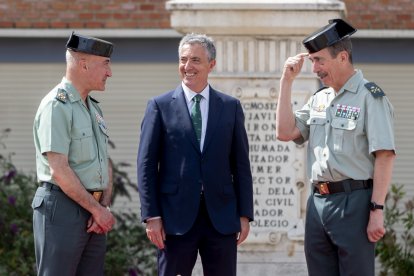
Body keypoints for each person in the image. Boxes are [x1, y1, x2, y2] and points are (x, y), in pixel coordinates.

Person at [276, 19, 396, 276]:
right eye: (312, 61)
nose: (315, 69)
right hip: (318, 204)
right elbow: (285, 132)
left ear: (342, 57)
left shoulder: (370, 96)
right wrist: (286, 81)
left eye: (319, 61)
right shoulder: (320, 99)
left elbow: (385, 156)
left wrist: (377, 210)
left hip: (354, 203)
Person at [137, 33, 254, 276]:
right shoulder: (159, 106)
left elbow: (241, 165)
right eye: (183, 60)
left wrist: (244, 214)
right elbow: (146, 165)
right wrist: (152, 216)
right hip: (174, 219)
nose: (187, 67)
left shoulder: (230, 107)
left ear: (212, 64)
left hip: (220, 219)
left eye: (195, 60)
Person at [32, 32, 116, 276]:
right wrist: (97, 210)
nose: (109, 73)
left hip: (92, 211)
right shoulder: (56, 105)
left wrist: (102, 206)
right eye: (106, 64)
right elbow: (59, 169)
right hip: (63, 209)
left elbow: (103, 160)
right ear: (84, 63)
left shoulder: (93, 108)